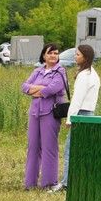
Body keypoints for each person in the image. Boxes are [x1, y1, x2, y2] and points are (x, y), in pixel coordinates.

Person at [51, 44, 101, 192]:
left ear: (85, 57)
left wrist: (70, 119)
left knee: (69, 150)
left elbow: (77, 100)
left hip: (80, 115)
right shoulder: (94, 74)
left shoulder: (84, 76)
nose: (75, 56)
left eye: (78, 55)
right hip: (89, 114)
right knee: (82, 151)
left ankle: (66, 184)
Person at [21, 43, 67, 189]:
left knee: (49, 147)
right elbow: (24, 87)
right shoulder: (37, 71)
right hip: (35, 112)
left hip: (50, 113)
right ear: (44, 56)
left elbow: (54, 88)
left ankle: (48, 183)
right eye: (50, 53)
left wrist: (36, 90)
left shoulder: (60, 71)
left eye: (56, 53)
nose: (53, 55)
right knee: (33, 146)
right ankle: (30, 183)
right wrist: (41, 89)